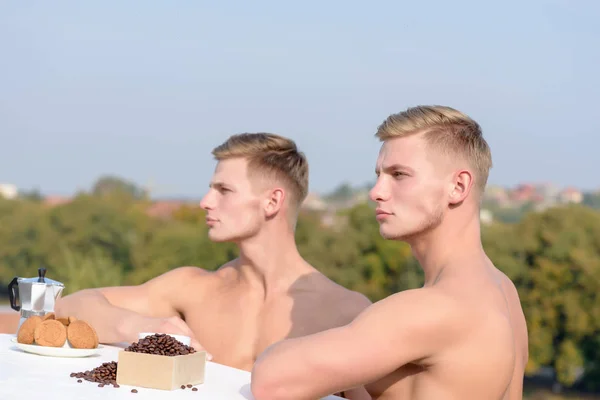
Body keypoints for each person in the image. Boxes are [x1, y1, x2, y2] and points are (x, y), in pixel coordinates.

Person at [55, 133, 372, 398]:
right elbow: (70, 306)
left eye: (224, 190)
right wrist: (134, 326)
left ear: (272, 202)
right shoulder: (191, 288)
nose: (205, 201)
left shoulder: (345, 312)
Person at [250, 106, 529, 400]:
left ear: (458, 186)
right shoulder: (503, 290)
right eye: (379, 174)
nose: (377, 191)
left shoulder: (434, 307)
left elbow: (270, 381)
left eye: (399, 174)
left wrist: (339, 331)